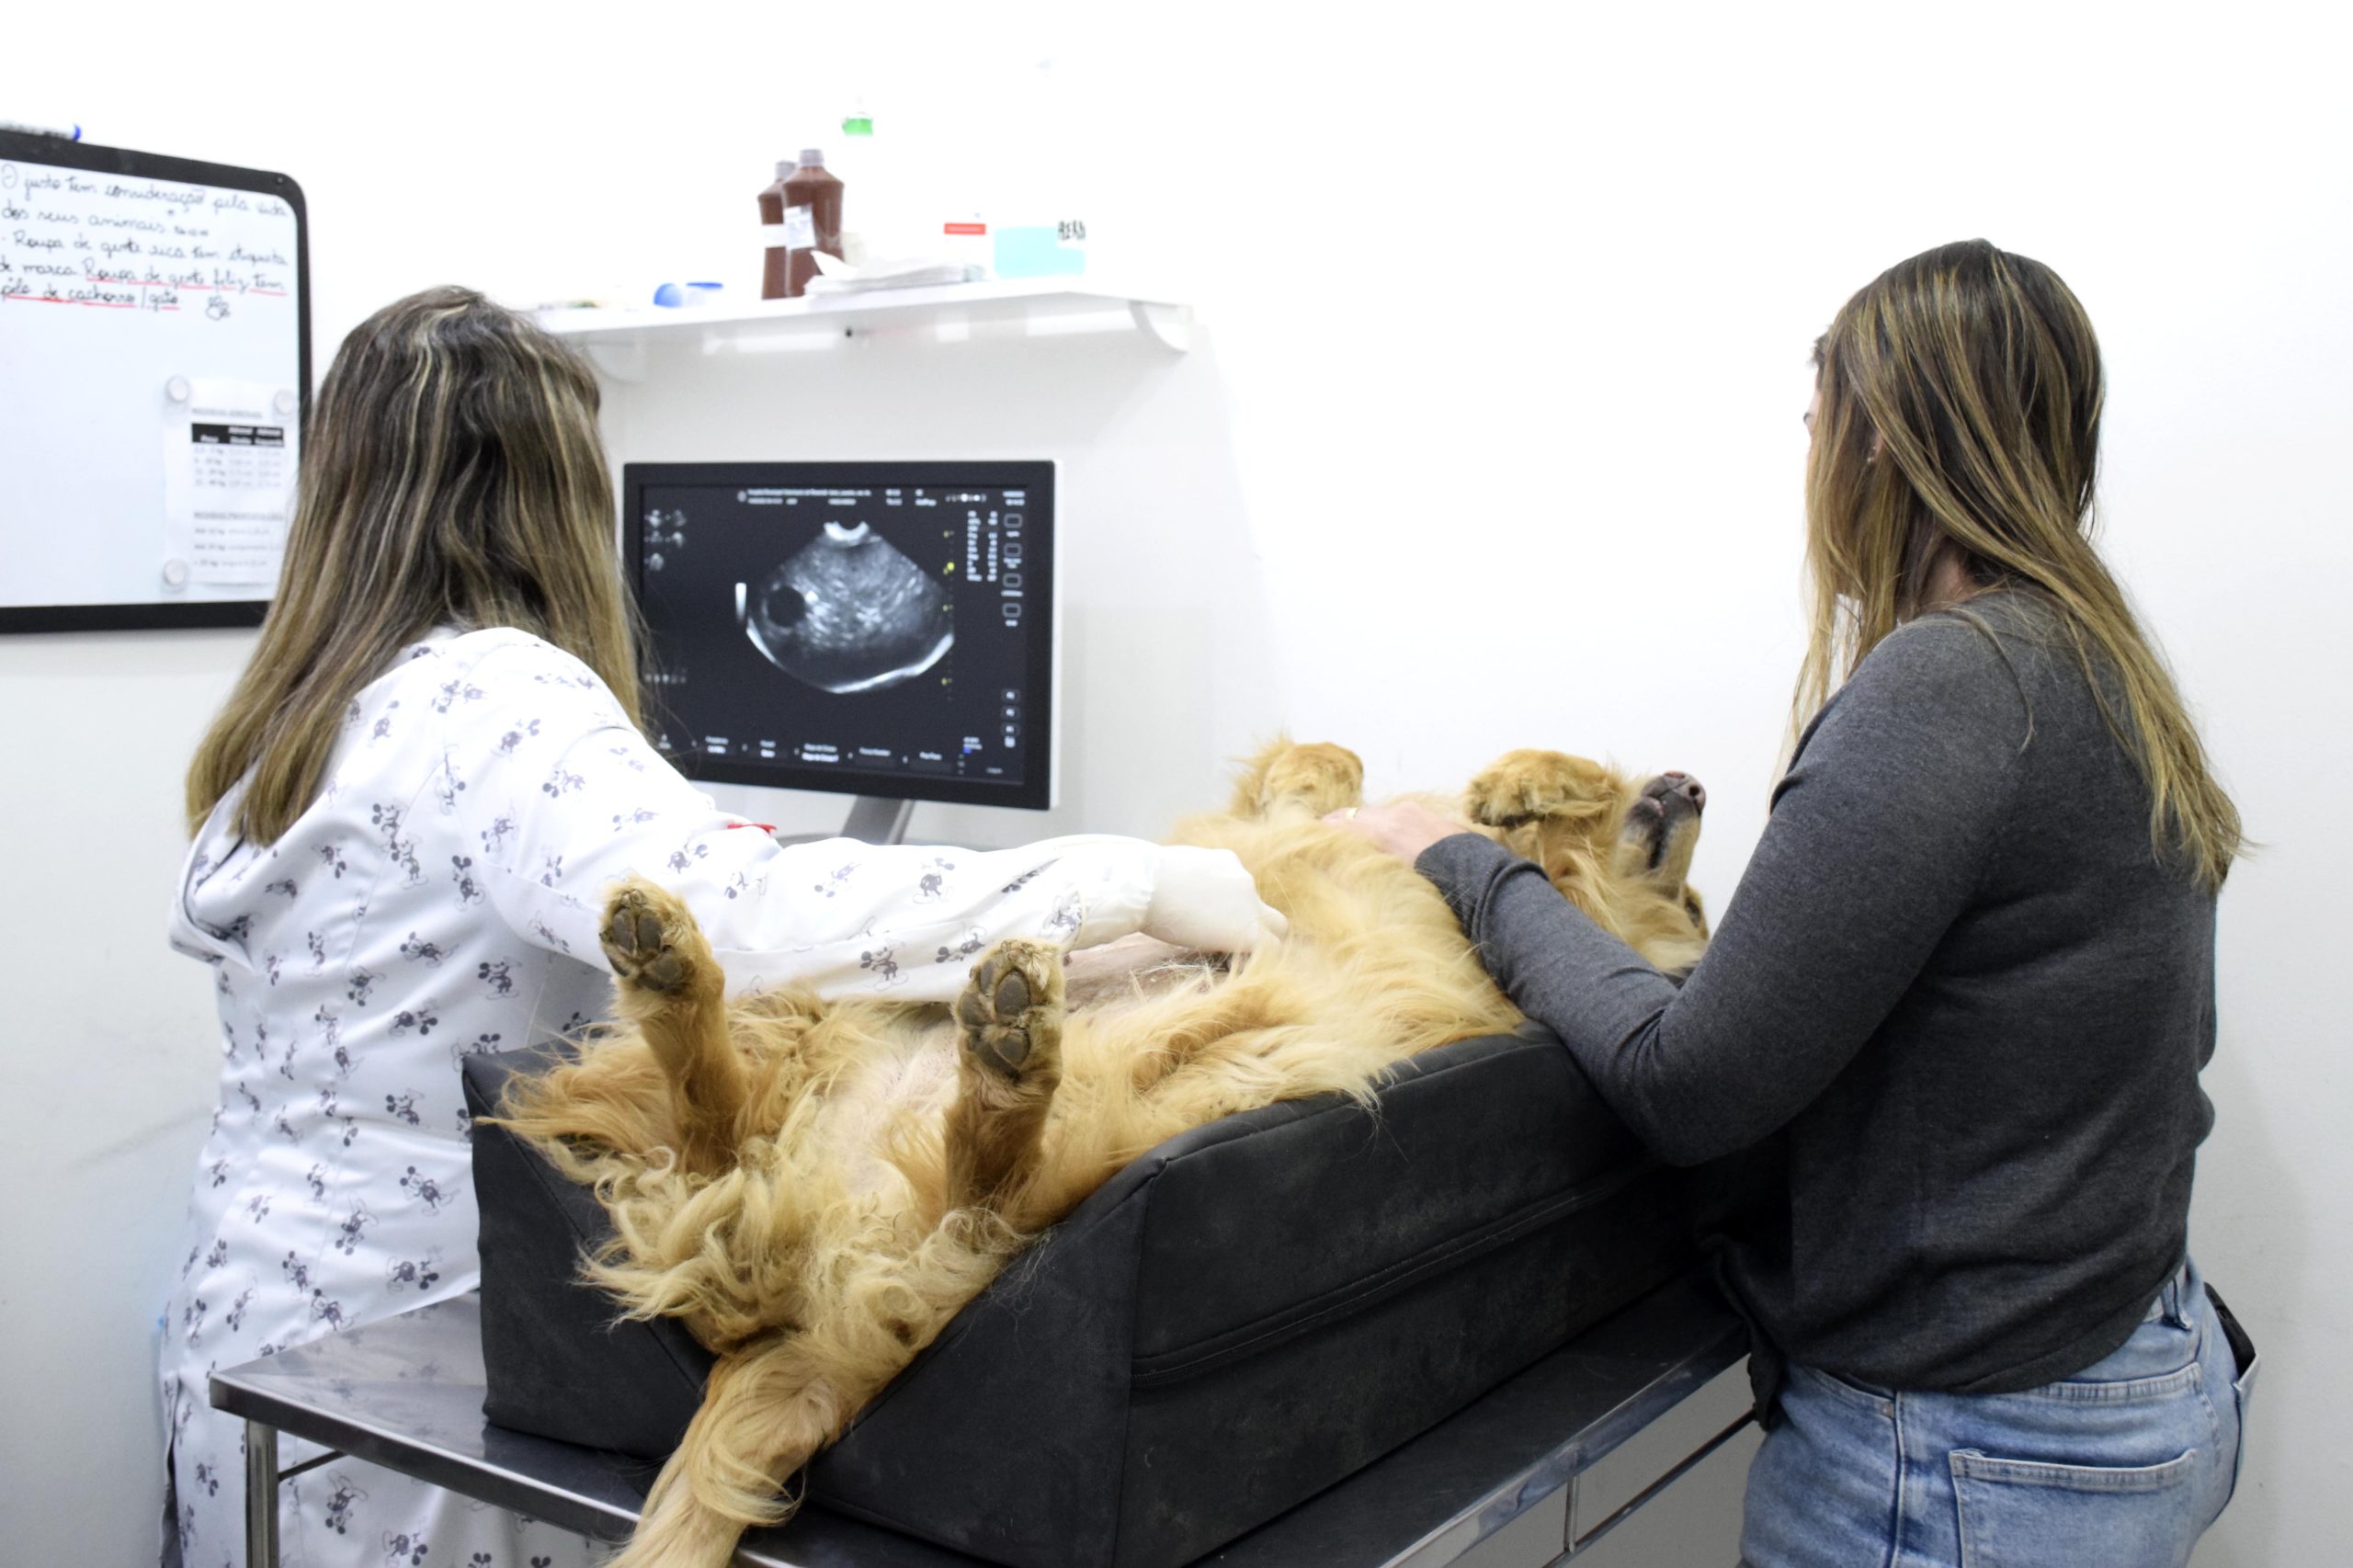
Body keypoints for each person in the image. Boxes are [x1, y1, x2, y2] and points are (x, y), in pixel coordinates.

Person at [159, 285, 1280, 1568]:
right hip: (429, 1354)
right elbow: (737, 922)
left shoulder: (307, 700)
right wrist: (1128, 879)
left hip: (250, 1318)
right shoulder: (497, 694)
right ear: (557, 492)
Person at [1336, 240, 2255, 1566]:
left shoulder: (1950, 686)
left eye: (1817, 423)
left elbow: (1688, 1084)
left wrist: (1464, 862)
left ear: (1876, 440)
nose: (1811, 460)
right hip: (2136, 1365)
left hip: (1972, 1455)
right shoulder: (2101, 660)